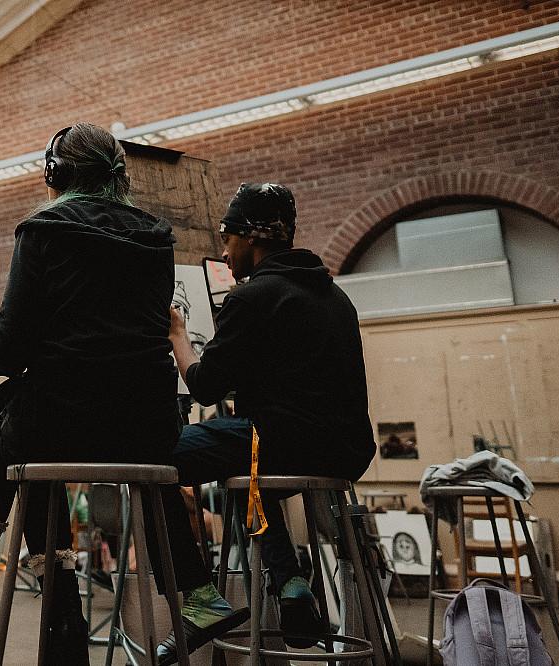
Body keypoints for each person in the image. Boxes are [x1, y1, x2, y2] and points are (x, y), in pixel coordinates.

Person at [0, 123, 185, 662]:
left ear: (54, 175)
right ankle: (61, 618)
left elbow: (8, 352)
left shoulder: (44, 229)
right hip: (147, 431)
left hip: (61, 425)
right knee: (19, 420)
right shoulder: (157, 237)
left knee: (9, 435)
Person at [157, 183, 376, 663]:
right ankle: (291, 583)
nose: (224, 250)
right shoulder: (335, 298)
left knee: (153, 461)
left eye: (227, 238)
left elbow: (206, 385)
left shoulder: (254, 298)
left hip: (281, 442)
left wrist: (178, 335)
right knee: (248, 472)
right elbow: (296, 376)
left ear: (250, 239)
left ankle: (199, 600)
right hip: (345, 452)